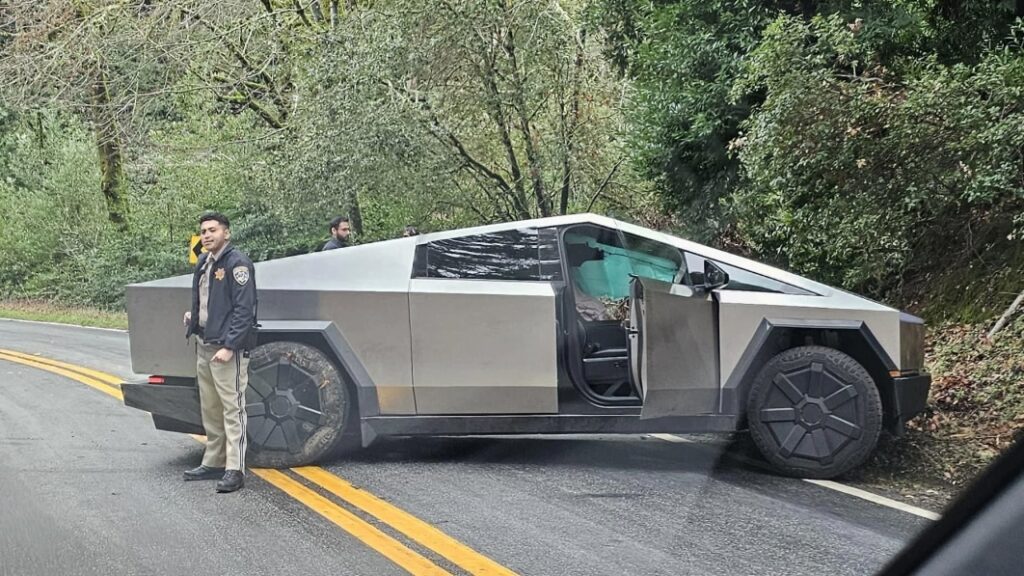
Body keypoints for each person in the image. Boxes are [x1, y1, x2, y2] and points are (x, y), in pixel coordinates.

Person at [182, 212, 257, 493]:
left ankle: (234, 469)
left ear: (227, 233)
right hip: (204, 343)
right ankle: (213, 461)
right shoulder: (204, 262)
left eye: (213, 230)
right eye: (203, 231)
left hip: (227, 349)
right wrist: (196, 316)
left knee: (232, 409)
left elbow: (243, 310)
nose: (207, 235)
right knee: (210, 408)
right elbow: (210, 300)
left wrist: (230, 346)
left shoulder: (237, 263)